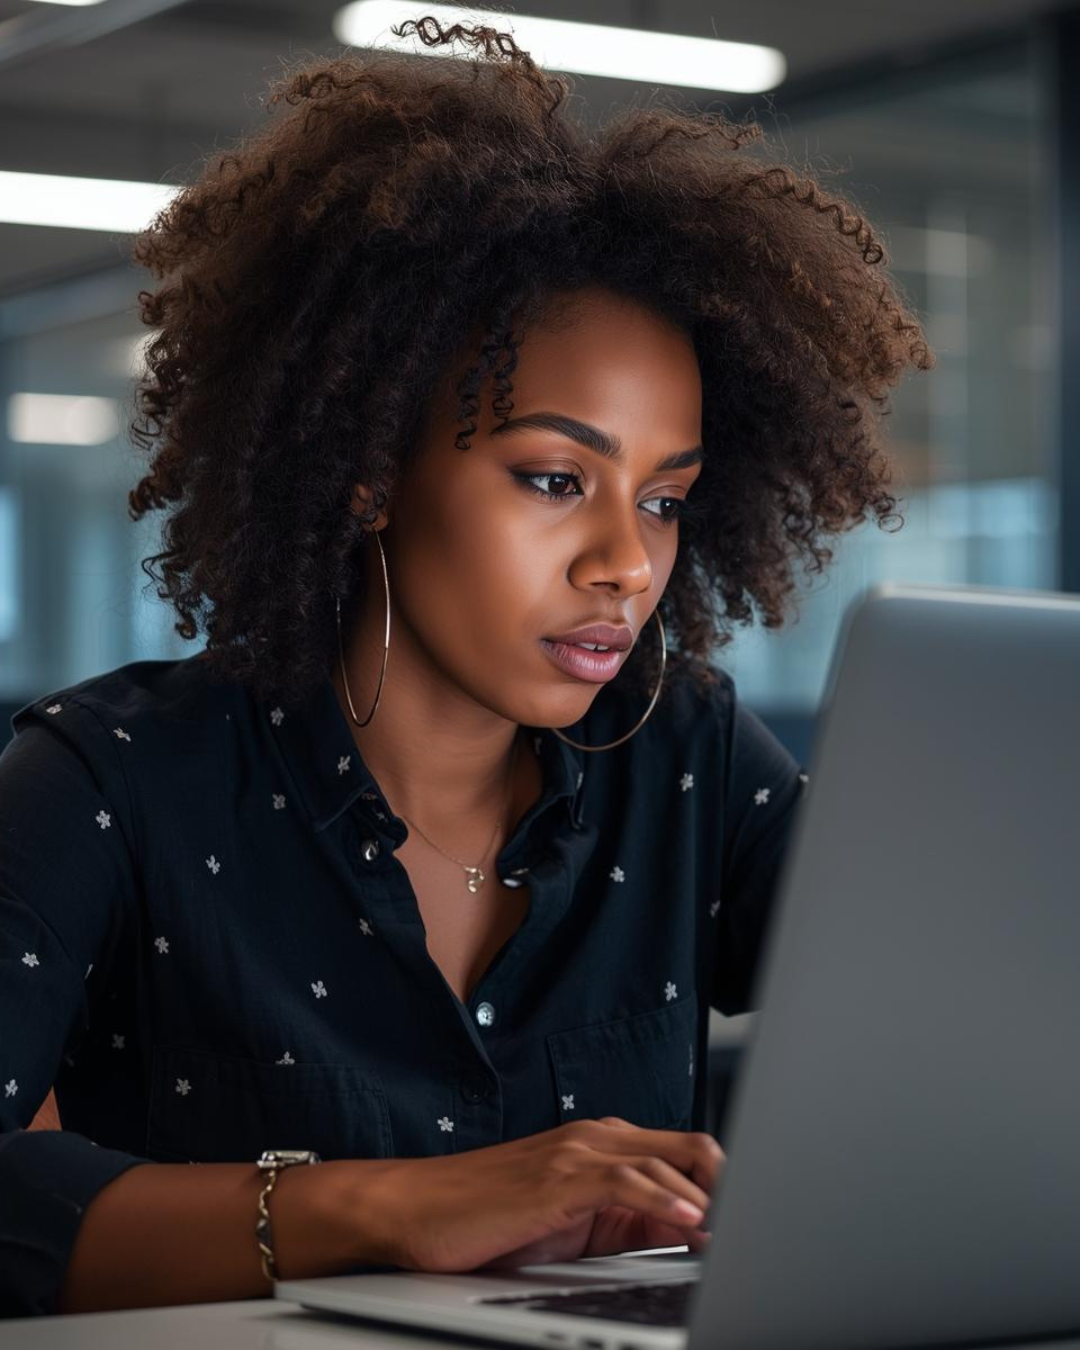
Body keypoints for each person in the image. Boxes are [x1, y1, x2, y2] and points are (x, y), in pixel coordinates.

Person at [0, 14, 933, 1319]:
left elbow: (949, 1041)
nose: (625, 562)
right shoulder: (105, 782)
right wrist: (387, 1203)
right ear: (374, 470)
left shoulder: (686, 756)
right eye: (556, 480)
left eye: (665, 500)